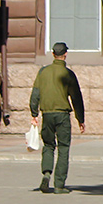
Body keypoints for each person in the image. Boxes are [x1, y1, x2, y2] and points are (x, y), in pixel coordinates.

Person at [30, 42, 86, 194]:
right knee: (63, 148)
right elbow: (76, 98)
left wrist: (34, 114)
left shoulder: (43, 72)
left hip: (47, 114)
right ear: (65, 54)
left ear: (53, 54)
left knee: (48, 145)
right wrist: (80, 119)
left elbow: (35, 94)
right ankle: (59, 185)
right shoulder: (68, 74)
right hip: (62, 115)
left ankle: (46, 173)